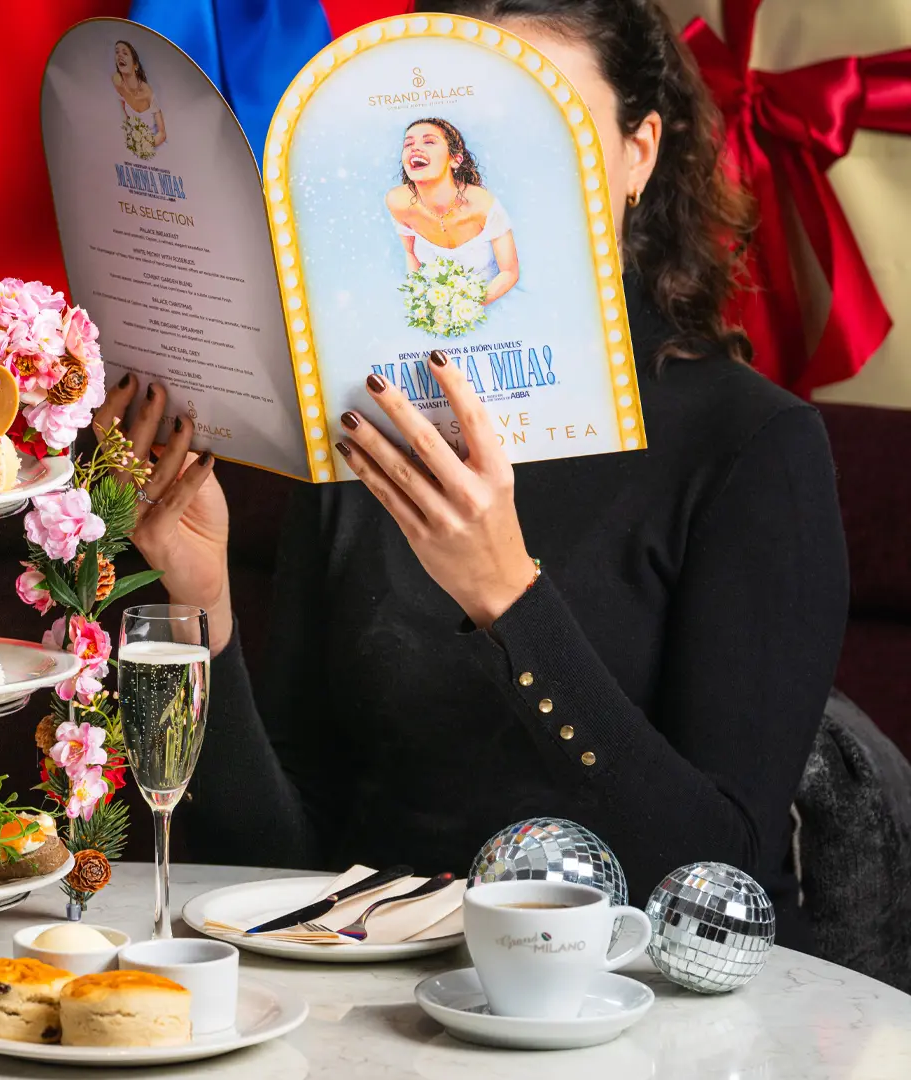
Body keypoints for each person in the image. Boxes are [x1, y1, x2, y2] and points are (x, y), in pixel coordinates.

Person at [98, 0, 844, 949]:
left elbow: (721, 877)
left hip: (643, 999)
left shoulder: (755, 445)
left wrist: (507, 599)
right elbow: (274, 864)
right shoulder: (367, 420)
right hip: (375, 995)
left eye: (547, 124)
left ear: (638, 153)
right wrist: (202, 605)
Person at [386, 118, 520, 305]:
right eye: (408, 144)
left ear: (455, 160)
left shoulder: (482, 204)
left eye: (429, 141)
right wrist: (421, 301)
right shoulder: (398, 202)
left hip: (492, 301)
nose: (414, 148)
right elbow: (411, 255)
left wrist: (465, 309)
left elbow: (509, 272)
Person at [112, 40, 167, 152]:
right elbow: (124, 119)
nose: (120, 55)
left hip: (155, 148)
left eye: (125, 53)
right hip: (133, 150)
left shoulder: (148, 92)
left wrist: (143, 146)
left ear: (135, 65)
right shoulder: (117, 84)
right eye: (117, 52)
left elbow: (162, 134)